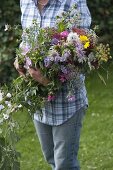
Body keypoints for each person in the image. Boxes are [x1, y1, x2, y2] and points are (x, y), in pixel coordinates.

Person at [14, 0, 91, 169]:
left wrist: (51, 80)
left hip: (67, 103)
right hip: (39, 103)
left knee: (65, 164)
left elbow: (86, 52)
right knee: (51, 159)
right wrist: (20, 59)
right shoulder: (26, 2)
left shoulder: (73, 2)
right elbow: (26, 39)